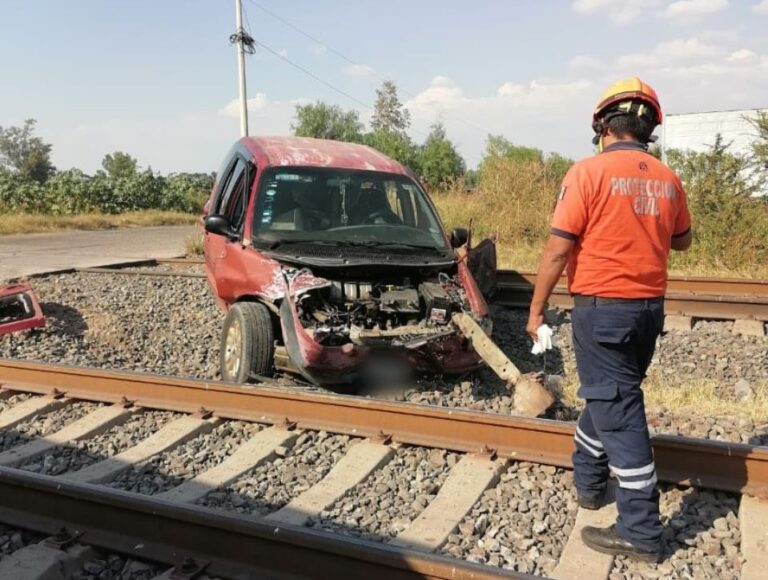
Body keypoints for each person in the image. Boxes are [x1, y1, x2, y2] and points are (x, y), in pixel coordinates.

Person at [526, 77, 692, 562]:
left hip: (602, 312)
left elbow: (557, 250)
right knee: (607, 395)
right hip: (648, 312)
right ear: (650, 128)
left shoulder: (586, 173)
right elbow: (683, 240)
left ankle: (640, 531)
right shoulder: (668, 178)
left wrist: (536, 310)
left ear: (602, 126)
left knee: (619, 410)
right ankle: (589, 481)